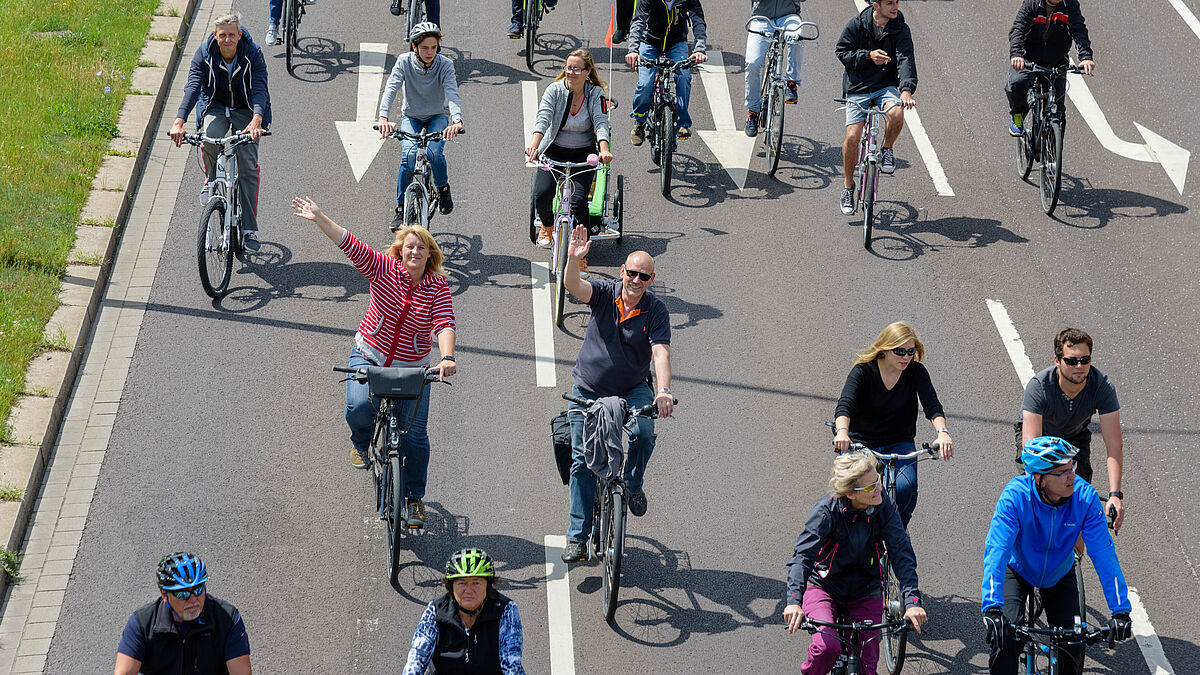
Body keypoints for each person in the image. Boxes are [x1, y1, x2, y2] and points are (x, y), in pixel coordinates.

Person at [291, 197, 456, 528]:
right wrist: (320, 217)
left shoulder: (437, 287)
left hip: (414, 369)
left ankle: (413, 499)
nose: (414, 252)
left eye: (421, 248)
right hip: (370, 355)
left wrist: (447, 357)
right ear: (400, 250)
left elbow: (444, 323)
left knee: (416, 437)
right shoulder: (382, 268)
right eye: (409, 246)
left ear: (429, 254)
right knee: (357, 407)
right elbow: (349, 244)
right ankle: (361, 443)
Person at [558, 226, 674, 563]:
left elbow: (660, 354)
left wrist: (663, 391)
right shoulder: (605, 293)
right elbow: (573, 286)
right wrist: (573, 260)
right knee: (581, 460)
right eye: (632, 273)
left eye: (644, 276)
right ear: (622, 271)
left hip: (632, 389)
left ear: (651, 280)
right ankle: (577, 537)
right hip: (589, 388)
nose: (636, 280)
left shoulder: (656, 311)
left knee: (644, 434)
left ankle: (633, 485)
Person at [982, 437, 1133, 675]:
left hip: (1060, 573)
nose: (1071, 475)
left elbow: (1103, 554)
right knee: (1005, 642)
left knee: (1073, 647)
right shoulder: (1015, 496)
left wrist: (1120, 610)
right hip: (1018, 569)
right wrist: (992, 608)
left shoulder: (1085, 497)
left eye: (1071, 467)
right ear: (1039, 478)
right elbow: (997, 550)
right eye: (1061, 472)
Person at [783, 451, 928, 675]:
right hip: (824, 587)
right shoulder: (825, 512)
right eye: (870, 487)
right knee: (826, 647)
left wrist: (913, 602)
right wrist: (794, 601)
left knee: (866, 666)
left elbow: (901, 553)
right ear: (850, 493)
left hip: (866, 589)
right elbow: (802, 557)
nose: (878, 488)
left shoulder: (884, 506)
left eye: (877, 480)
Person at [833, 321, 953, 527]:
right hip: (862, 443)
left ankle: (898, 532)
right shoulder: (862, 372)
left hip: (899, 443)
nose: (906, 357)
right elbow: (845, 405)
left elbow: (932, 405)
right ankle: (849, 532)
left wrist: (942, 432)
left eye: (910, 351)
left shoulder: (916, 372)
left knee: (906, 487)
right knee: (853, 491)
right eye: (899, 351)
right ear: (885, 349)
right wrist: (842, 432)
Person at [169, 12, 271, 252]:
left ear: (240, 35)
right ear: (215, 36)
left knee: (247, 165)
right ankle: (211, 178)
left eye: (231, 35)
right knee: (209, 138)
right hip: (215, 106)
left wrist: (257, 120)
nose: (227, 40)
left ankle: (248, 230)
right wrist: (178, 122)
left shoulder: (253, 54)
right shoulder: (204, 55)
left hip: (247, 109)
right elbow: (193, 87)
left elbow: (259, 88)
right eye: (222, 35)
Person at [1020, 328, 1125, 533]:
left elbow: (1114, 445)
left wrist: (1115, 494)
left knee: (1078, 504)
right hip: (1041, 441)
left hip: (1074, 437)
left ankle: (1074, 558)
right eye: (1071, 361)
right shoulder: (1039, 387)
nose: (1079, 366)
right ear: (1057, 361)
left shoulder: (1102, 386)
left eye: (1085, 360)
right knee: (1041, 497)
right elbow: (1030, 446)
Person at [525, 49, 613, 273]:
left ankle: (581, 254)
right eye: (568, 67)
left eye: (576, 68)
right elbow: (543, 118)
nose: (571, 72)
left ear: (587, 72)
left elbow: (601, 123)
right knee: (541, 194)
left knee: (578, 202)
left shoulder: (595, 94)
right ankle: (547, 225)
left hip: (584, 154)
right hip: (553, 150)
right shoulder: (555, 90)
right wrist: (534, 145)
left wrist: (603, 149)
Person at [378, 22, 463, 231]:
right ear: (414, 47)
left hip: (437, 116)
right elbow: (391, 88)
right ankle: (400, 208)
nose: (430, 52)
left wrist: (457, 120)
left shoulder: (445, 65)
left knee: (434, 154)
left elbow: (452, 92)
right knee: (408, 158)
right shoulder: (403, 62)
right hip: (412, 117)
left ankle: (443, 188)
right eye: (425, 47)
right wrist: (383, 117)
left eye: (434, 47)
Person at [834, 0, 916, 215]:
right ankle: (848, 187)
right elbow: (842, 52)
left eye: (897, 2)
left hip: (884, 86)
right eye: (889, 2)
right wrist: (868, 56)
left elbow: (905, 58)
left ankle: (887, 149)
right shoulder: (857, 24)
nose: (895, 7)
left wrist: (906, 89)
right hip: (857, 87)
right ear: (875, 5)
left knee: (897, 112)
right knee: (852, 138)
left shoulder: (900, 28)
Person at [114, 552, 251, 675]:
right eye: (183, 593)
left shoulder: (227, 618)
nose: (193, 600)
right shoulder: (143, 623)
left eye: (198, 590)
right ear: (164, 594)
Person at [402, 548, 525, 674]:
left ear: (487, 586)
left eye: (476, 583)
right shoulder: (435, 610)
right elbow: (416, 659)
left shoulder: (506, 610)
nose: (469, 590)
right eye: (462, 583)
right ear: (451, 586)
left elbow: (511, 664)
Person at [625, 0, 708, 145]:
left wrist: (699, 49)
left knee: (684, 77)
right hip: (649, 42)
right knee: (645, 84)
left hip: (676, 43)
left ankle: (683, 123)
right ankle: (639, 122)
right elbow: (638, 22)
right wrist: (633, 50)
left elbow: (698, 21)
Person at [1006, 0, 1094, 136]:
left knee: (1057, 111)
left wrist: (1085, 57)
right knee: (1017, 82)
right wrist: (1017, 54)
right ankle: (1018, 115)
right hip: (1029, 58)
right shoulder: (1033, 3)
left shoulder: (1069, 4)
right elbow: (1019, 28)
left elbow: (1078, 30)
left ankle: (1053, 151)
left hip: (1056, 60)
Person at [743, 0, 805, 137]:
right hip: (762, 17)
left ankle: (792, 83)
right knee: (752, 63)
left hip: (789, 15)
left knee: (796, 39)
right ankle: (753, 111)